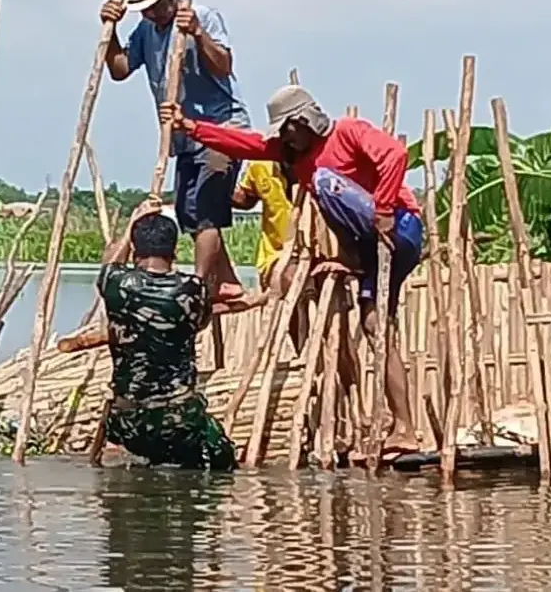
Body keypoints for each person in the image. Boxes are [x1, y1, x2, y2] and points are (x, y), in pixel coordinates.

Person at [158, 85, 424, 454]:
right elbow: (244, 144)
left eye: (288, 129)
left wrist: (382, 209)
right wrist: (192, 127)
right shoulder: (290, 153)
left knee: (325, 183)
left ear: (304, 122)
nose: (284, 138)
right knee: (375, 326)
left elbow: (394, 154)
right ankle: (405, 428)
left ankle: (353, 257)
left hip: (400, 227)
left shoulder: (348, 131)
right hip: (371, 247)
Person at [99, 0, 252, 312]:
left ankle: (198, 289)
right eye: (145, 9)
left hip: (220, 129)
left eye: (155, 7)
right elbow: (120, 69)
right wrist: (112, 32)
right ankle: (226, 282)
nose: (151, 14)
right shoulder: (146, 31)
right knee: (187, 213)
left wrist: (197, 34)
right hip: (182, 137)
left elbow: (222, 66)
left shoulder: (203, 17)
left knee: (207, 210)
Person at [95, 199, 237, 471]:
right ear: (174, 250)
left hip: (128, 423)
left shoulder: (116, 284)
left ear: (135, 249)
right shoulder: (191, 290)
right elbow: (210, 235)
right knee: (221, 455)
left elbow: (109, 265)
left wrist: (132, 224)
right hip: (179, 423)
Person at [231, 160, 293, 298]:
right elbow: (246, 199)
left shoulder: (321, 162)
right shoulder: (260, 164)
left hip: (311, 253)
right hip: (274, 255)